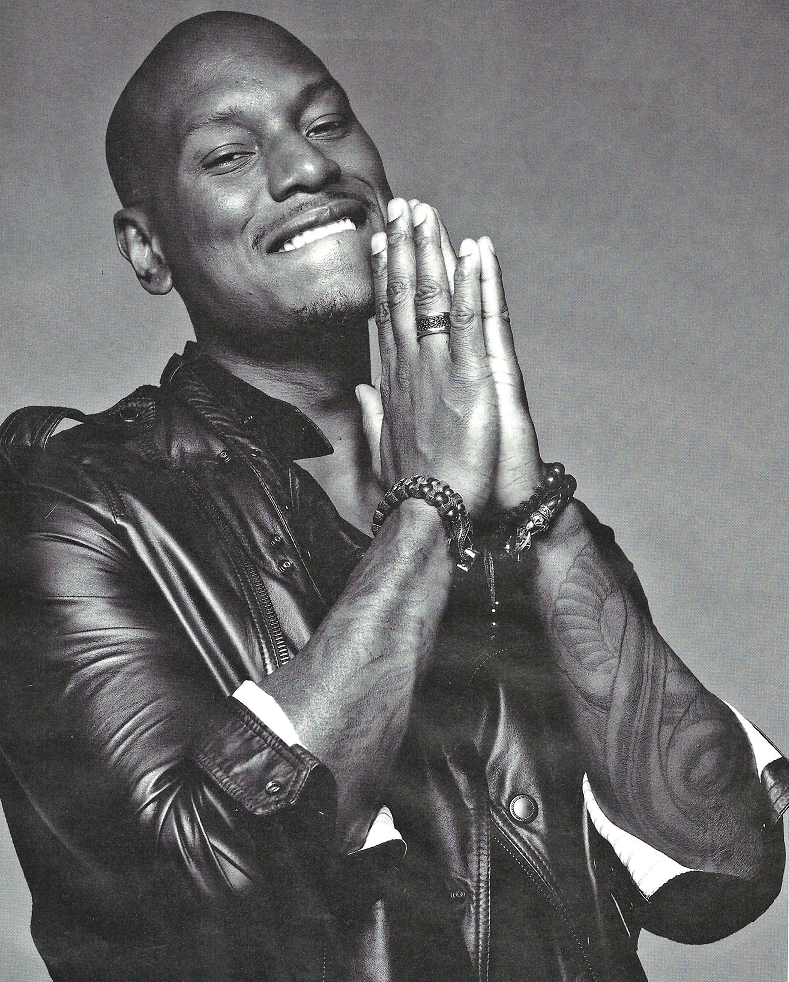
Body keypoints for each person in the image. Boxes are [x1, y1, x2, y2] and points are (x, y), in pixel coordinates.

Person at [0, 11, 785, 982]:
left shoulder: (526, 518)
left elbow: (724, 870)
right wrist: (428, 510)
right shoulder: (76, 507)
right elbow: (190, 906)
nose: (307, 167)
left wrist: (540, 519)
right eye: (230, 154)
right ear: (147, 248)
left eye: (326, 124)